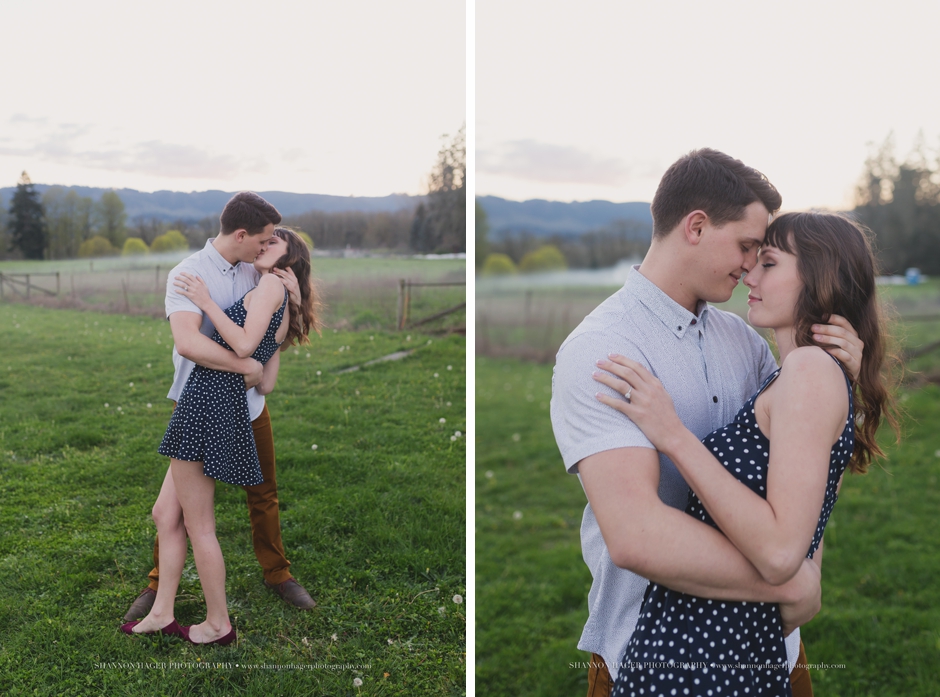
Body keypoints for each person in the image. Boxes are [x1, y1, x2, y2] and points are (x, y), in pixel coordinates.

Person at [550, 149, 864, 697]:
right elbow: (636, 535)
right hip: (651, 652)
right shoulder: (603, 351)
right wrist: (790, 582)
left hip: (775, 646)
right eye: (746, 246)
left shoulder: (744, 340)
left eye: (764, 256)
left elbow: (804, 472)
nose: (750, 266)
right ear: (695, 226)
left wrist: (845, 390)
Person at [123, 193, 317, 627]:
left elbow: (267, 341)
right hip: (200, 401)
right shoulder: (189, 273)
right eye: (264, 239)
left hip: (249, 405)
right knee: (173, 508)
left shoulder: (260, 270)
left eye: (272, 243)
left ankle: (277, 574)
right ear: (243, 235)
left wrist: (293, 301)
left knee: (262, 493)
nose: (266, 246)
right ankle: (158, 587)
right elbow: (188, 342)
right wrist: (245, 364)